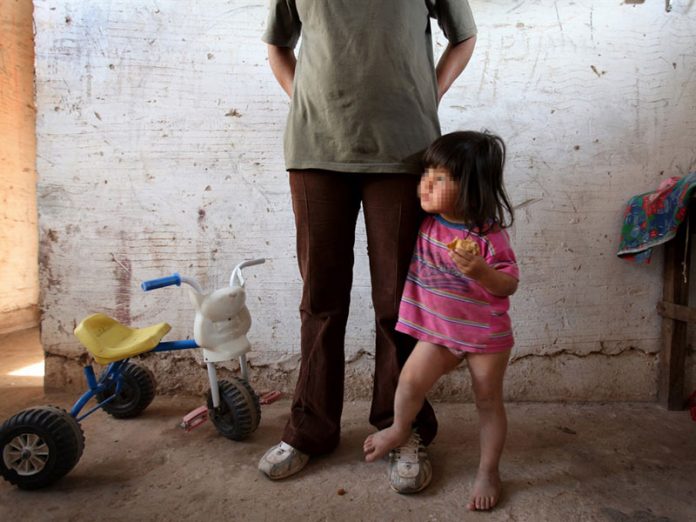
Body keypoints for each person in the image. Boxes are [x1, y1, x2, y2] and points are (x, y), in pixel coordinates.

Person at [258, 1, 478, 494]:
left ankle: (401, 428)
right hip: (316, 150)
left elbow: (464, 37)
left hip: (405, 152)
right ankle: (310, 429)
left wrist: (429, 94)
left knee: (399, 303)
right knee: (321, 300)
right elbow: (276, 44)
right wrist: (304, 101)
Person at [363, 131, 518, 511]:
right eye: (425, 174)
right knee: (410, 380)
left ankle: (488, 470)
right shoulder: (426, 224)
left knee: (488, 401)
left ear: (471, 187)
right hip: (438, 334)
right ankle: (401, 428)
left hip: (485, 335)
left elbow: (509, 284)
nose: (425, 184)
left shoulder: (488, 237)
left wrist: (481, 271)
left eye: (440, 178)